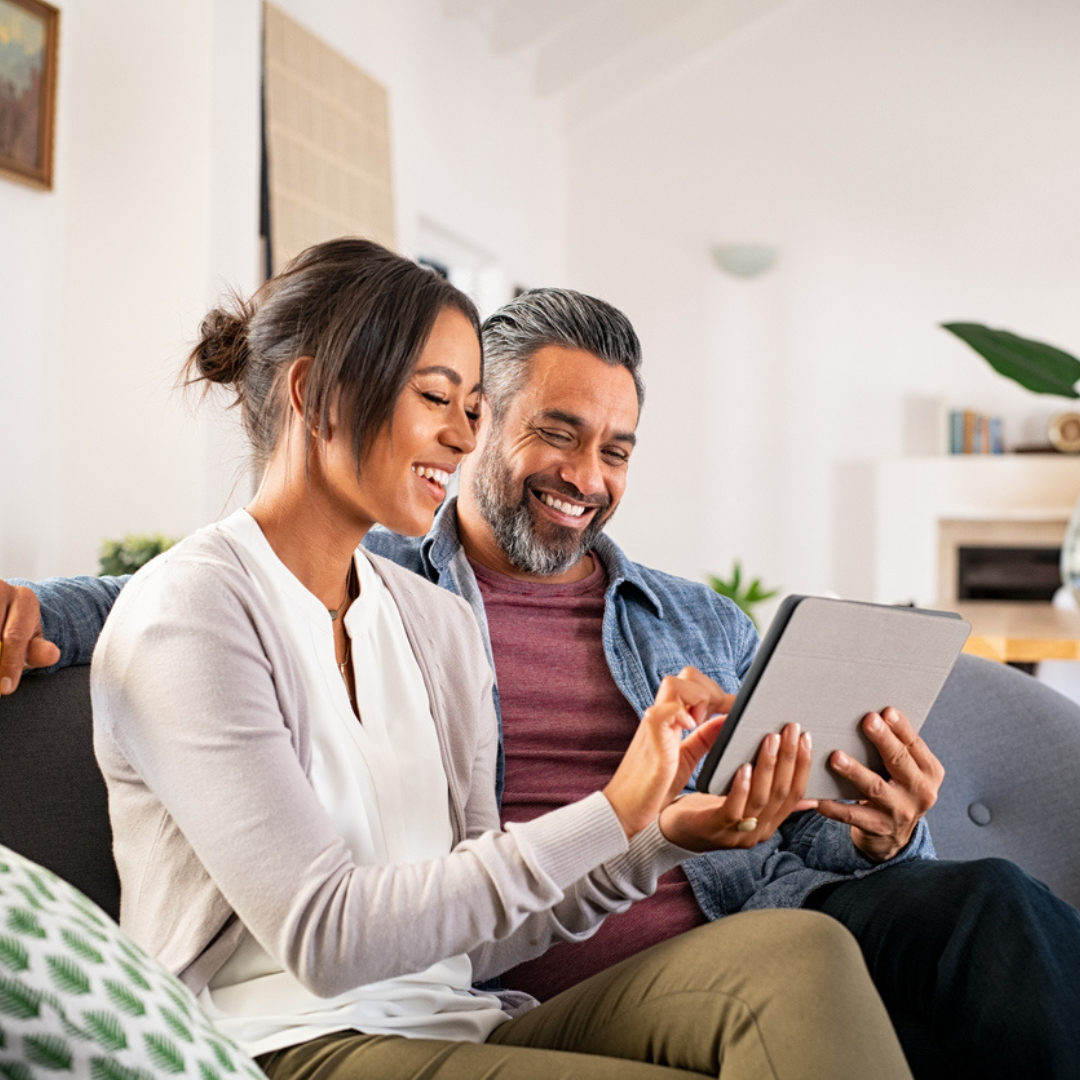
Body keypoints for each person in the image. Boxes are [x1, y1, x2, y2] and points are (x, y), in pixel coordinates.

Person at [5, 286, 1080, 1076]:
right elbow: (167, 595)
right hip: (419, 994)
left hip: (682, 937)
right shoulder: (360, 575)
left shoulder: (673, 617)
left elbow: (789, 824)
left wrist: (865, 826)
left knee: (979, 902)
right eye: (552, 431)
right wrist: (34, 609)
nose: (586, 476)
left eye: (616, 448)